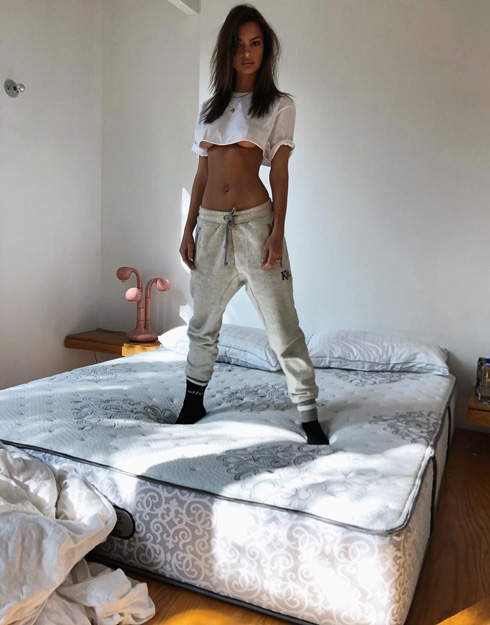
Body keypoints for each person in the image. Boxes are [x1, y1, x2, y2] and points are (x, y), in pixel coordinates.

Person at [177, 3, 329, 445]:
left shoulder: (279, 105)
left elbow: (279, 173)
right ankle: (192, 402)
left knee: (282, 325)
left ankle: (308, 412)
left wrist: (277, 231)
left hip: (255, 224)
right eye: (239, 45)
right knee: (202, 322)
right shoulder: (210, 109)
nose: (247, 53)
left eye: (255, 43)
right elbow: (202, 174)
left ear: (266, 50)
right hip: (210, 227)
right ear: (227, 51)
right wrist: (188, 229)